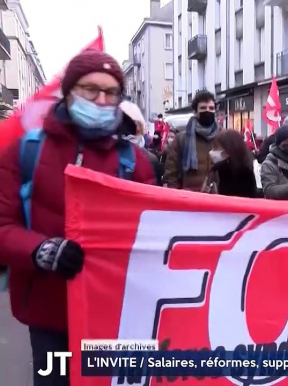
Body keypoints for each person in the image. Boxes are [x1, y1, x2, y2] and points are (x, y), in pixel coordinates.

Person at [0, 49, 157, 386]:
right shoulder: (26, 151)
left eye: (111, 92)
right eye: (90, 89)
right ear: (69, 92)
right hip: (48, 314)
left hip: (118, 314)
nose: (101, 100)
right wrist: (41, 250)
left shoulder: (136, 161)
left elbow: (158, 232)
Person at [163, 90, 219, 191]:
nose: (208, 111)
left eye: (211, 108)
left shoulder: (222, 137)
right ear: (195, 111)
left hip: (218, 199)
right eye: (203, 108)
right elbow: (171, 174)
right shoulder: (181, 139)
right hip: (189, 199)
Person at [202, 129, 258, 198]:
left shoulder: (243, 174)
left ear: (228, 151)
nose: (211, 152)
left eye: (216, 148)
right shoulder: (215, 171)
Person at [120, 101, 164, 185]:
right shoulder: (106, 156)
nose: (131, 128)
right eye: (125, 123)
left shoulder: (151, 160)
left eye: (135, 123)